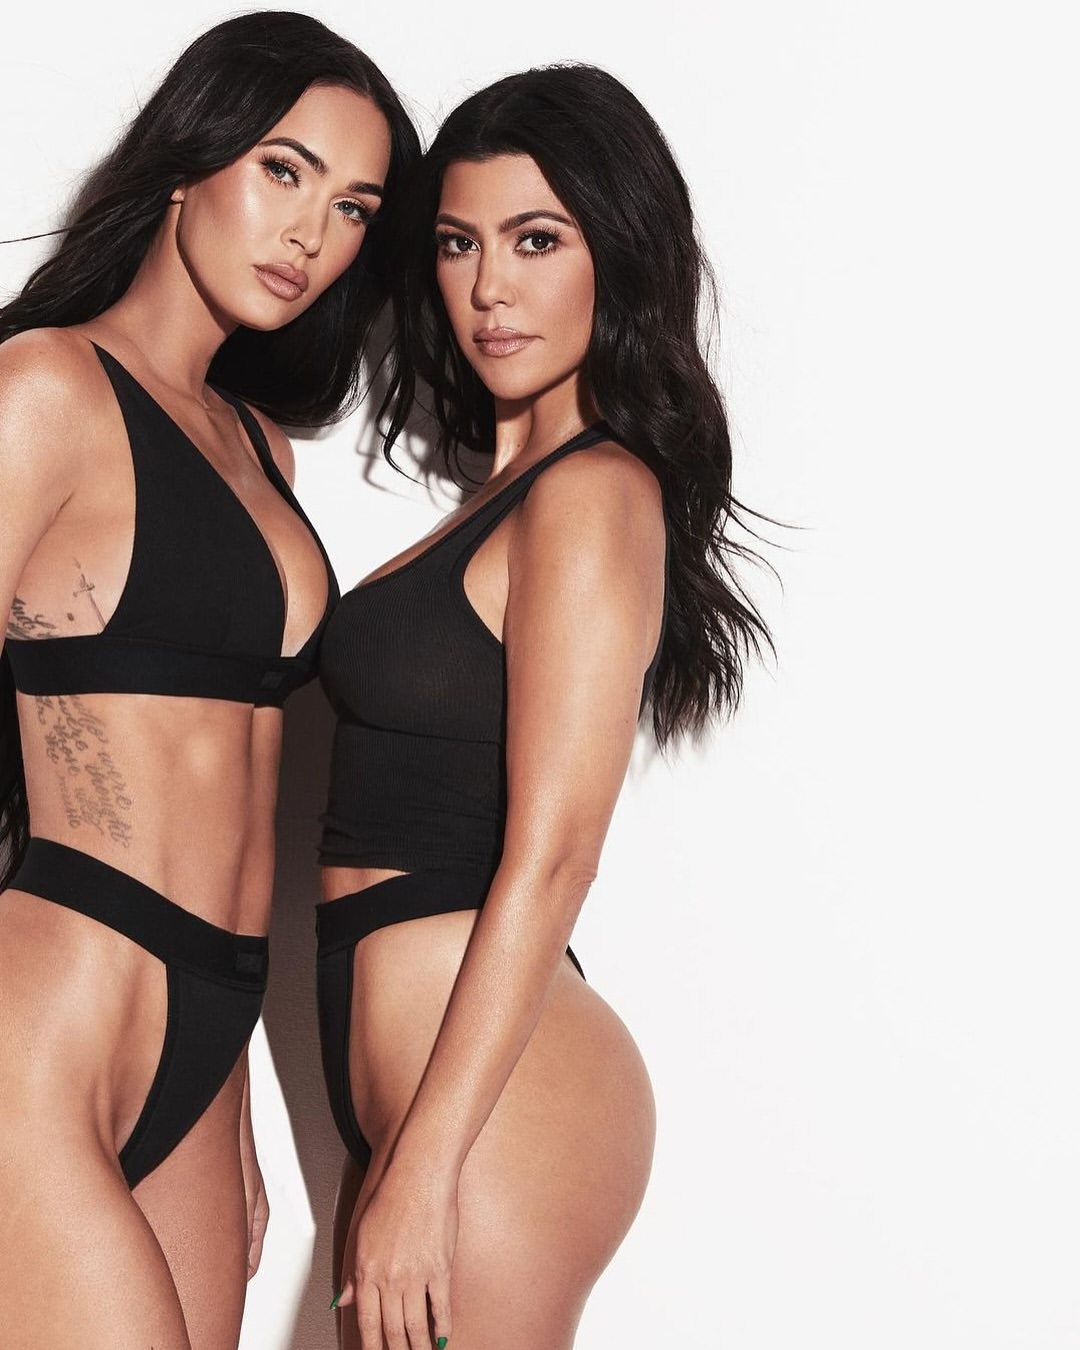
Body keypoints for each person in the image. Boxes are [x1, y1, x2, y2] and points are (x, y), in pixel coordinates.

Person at [315, 62, 771, 1350]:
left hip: (492, 1100)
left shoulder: (595, 491)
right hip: (423, 1085)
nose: (488, 290)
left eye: (536, 240)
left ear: (616, 257)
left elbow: (557, 849)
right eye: (458, 243)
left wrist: (425, 1168)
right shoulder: (504, 502)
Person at [0, 12, 418, 1348]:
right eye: (284, 170)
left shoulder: (263, 450)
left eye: (353, 208)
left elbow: (234, 786)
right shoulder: (43, 386)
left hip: (209, 1029)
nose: (310, 233)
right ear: (190, 157)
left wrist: (227, 1101)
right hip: (53, 1010)